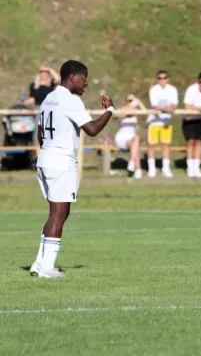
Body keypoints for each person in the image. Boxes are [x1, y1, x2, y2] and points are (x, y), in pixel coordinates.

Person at [30, 60, 114, 278]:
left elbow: (40, 134)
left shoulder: (49, 97)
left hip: (45, 159)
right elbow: (93, 129)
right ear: (72, 77)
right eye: (84, 78)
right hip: (61, 162)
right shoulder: (71, 100)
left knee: (58, 213)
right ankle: (47, 269)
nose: (86, 83)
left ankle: (40, 263)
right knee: (59, 214)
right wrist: (110, 110)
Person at [146, 70, 178, 178]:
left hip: (166, 121)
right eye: (160, 78)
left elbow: (174, 104)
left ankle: (166, 168)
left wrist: (171, 108)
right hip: (154, 121)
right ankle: (151, 169)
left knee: (166, 145)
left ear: (168, 79)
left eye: (164, 78)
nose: (162, 80)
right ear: (157, 79)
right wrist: (166, 108)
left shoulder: (172, 90)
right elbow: (155, 105)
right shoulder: (153, 90)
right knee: (151, 145)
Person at [114, 93, 147, 179]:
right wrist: (126, 112)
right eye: (129, 100)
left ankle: (132, 164)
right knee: (135, 146)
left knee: (136, 140)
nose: (131, 102)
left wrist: (138, 102)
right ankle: (138, 169)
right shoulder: (123, 109)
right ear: (126, 101)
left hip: (132, 137)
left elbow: (145, 111)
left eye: (132, 100)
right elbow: (115, 116)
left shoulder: (135, 111)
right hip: (122, 137)